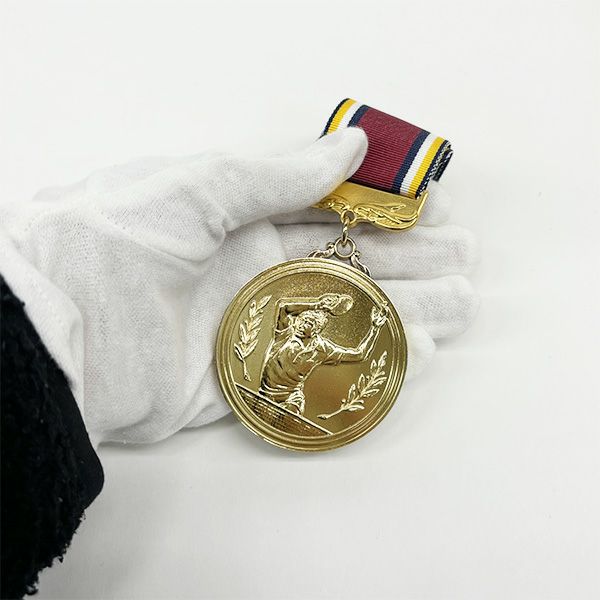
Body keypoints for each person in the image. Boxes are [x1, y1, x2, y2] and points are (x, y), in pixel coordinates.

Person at [0, 127, 478, 598]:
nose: (308, 325)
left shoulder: (321, 348)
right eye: (308, 320)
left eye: (314, 323)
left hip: (286, 402)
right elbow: (285, 306)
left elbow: (352, 354)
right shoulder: (290, 324)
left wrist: (35, 349)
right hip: (259, 386)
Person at [259, 294, 388, 414]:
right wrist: (317, 305)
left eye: (308, 323)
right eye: (301, 320)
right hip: (265, 392)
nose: (301, 325)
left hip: (291, 397)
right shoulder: (285, 334)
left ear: (316, 330)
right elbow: (284, 308)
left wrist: (375, 328)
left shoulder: (322, 349)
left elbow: (360, 354)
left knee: (290, 416)